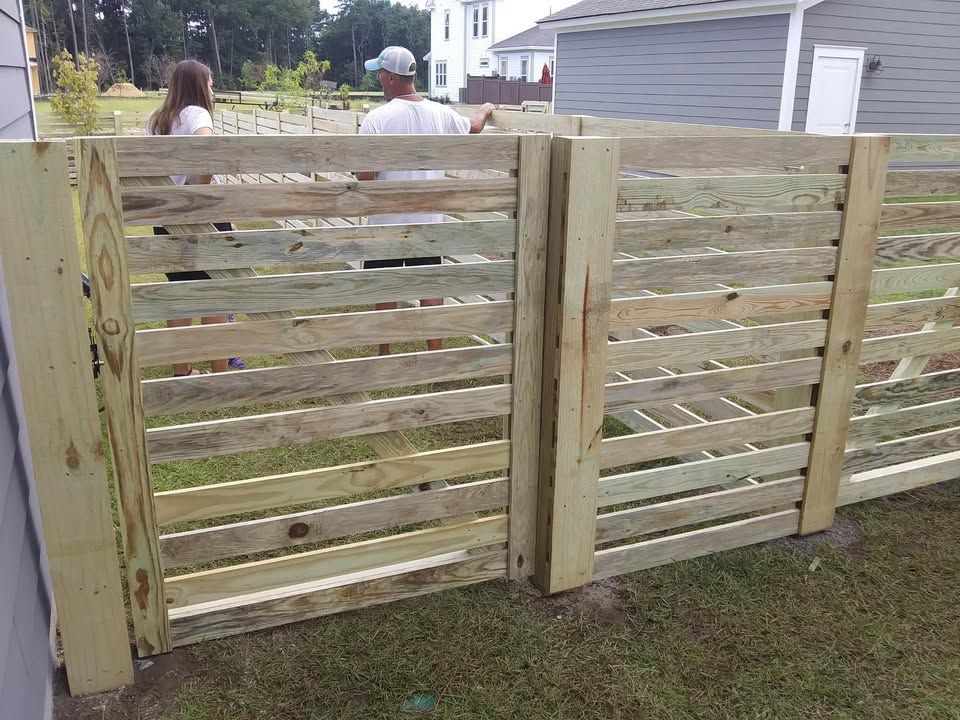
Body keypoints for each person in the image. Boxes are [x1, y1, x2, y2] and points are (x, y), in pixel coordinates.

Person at [355, 46, 495, 355]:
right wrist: (485, 108)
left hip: (388, 223)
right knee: (431, 287)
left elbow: (364, 175)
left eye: (380, 73)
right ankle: (435, 354)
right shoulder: (441, 114)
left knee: (386, 287)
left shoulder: (376, 119)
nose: (378, 78)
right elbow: (472, 127)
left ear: (391, 78)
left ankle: (385, 354)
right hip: (429, 220)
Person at [147, 59, 231, 376]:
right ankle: (219, 370)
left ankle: (182, 369)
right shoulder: (197, 114)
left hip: (166, 215)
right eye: (210, 83)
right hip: (203, 213)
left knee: (179, 293)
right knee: (215, 294)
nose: (212, 88)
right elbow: (207, 150)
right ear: (198, 85)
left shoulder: (156, 120)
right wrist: (196, 192)